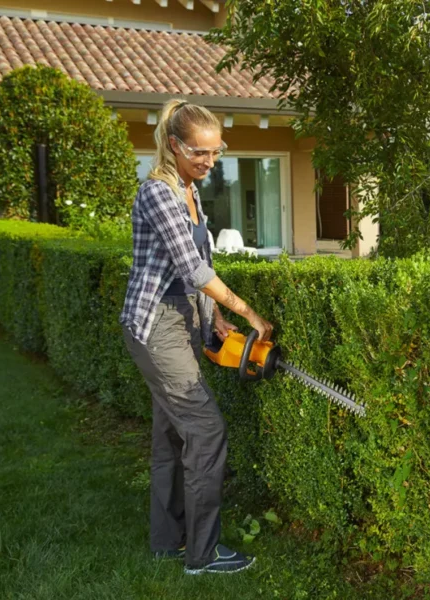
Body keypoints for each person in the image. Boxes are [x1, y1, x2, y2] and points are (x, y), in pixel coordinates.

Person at [119, 99, 273, 575]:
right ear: (173, 145)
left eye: (216, 151)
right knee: (206, 432)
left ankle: (168, 542)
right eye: (199, 152)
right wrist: (247, 311)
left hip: (182, 321)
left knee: (170, 435)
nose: (209, 161)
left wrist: (213, 321)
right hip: (156, 327)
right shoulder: (159, 193)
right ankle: (202, 556)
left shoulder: (190, 189)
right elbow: (192, 268)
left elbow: (192, 273)